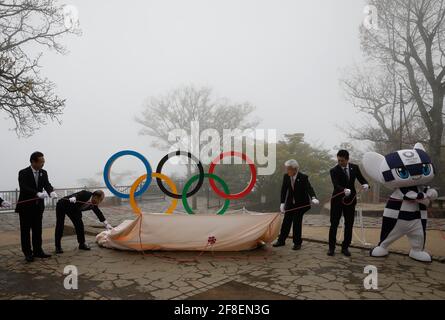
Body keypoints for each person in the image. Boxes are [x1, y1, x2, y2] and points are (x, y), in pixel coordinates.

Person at [15, 151, 58, 262]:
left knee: (37, 230)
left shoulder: (43, 172)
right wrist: (37, 193)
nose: (43, 164)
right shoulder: (23, 172)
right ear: (33, 162)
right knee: (25, 231)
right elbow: (24, 187)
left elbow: (47, 184)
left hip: (38, 207)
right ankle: (28, 253)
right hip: (25, 207)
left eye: (44, 162)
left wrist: (51, 191)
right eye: (41, 162)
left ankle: (38, 251)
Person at [328, 149, 369, 257]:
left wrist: (366, 184)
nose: (340, 162)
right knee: (334, 223)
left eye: (342, 160)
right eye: (338, 160)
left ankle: (345, 247)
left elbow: (362, 179)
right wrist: (343, 190)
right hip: (337, 200)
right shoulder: (334, 170)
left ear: (347, 159)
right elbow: (336, 185)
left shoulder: (354, 168)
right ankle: (331, 248)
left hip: (350, 200)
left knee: (349, 223)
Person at [273, 159, 319, 250]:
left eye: (289, 169)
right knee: (286, 221)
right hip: (290, 203)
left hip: (301, 204)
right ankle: (281, 240)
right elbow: (284, 190)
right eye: (287, 169)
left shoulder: (303, 177)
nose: (287, 171)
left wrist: (313, 198)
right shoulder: (286, 176)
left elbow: (309, 188)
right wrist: (282, 203)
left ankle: (297, 243)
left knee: (297, 221)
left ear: (295, 169)